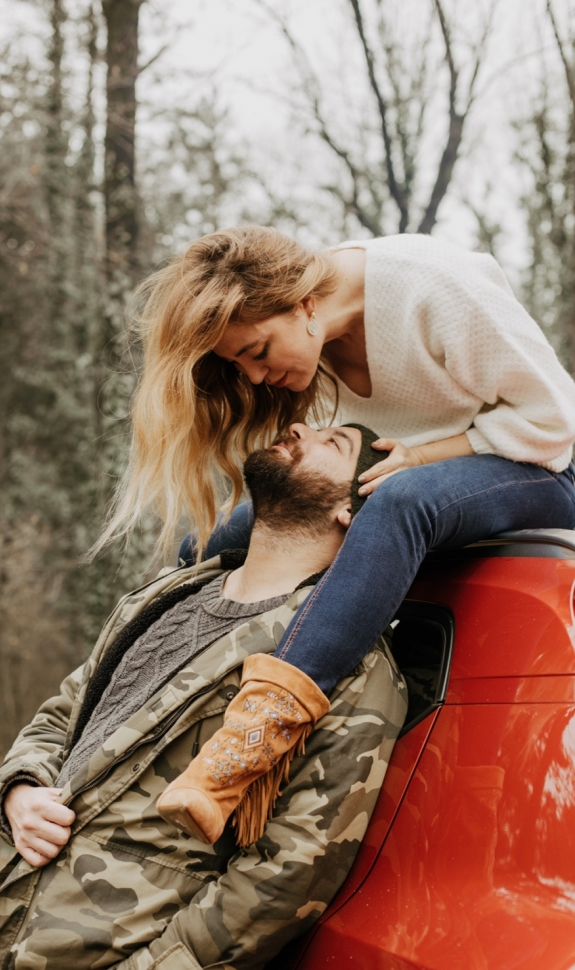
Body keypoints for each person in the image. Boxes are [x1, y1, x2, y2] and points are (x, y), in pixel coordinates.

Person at [0, 424, 407, 970]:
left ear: (349, 510)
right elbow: (65, 712)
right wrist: (20, 791)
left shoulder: (347, 662)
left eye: (335, 443)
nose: (299, 426)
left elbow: (296, 866)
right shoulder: (173, 594)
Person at [93, 227, 575, 702]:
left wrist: (424, 457)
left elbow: (554, 422)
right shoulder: (311, 340)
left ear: (305, 303)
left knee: (402, 501)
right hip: (398, 475)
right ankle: (133, 691)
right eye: (241, 366)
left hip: (541, 467)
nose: (257, 376)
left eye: (258, 352)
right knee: (214, 542)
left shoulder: (432, 287)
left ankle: (262, 724)